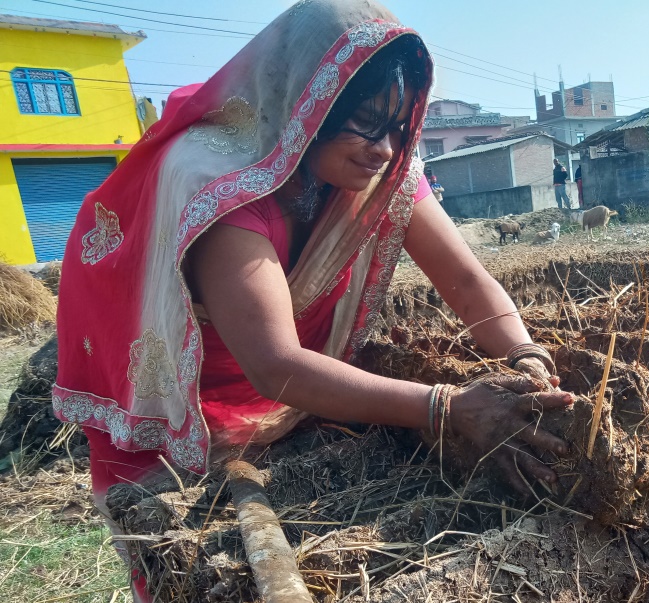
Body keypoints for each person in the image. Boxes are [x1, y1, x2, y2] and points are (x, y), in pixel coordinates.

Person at [52, 2, 572, 599]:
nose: (384, 148)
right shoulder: (221, 185)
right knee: (189, 571)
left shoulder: (385, 171)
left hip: (291, 394)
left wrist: (527, 358)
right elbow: (275, 363)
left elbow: (466, 280)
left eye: (400, 129)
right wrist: (449, 407)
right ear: (307, 103)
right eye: (365, 122)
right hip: (178, 398)